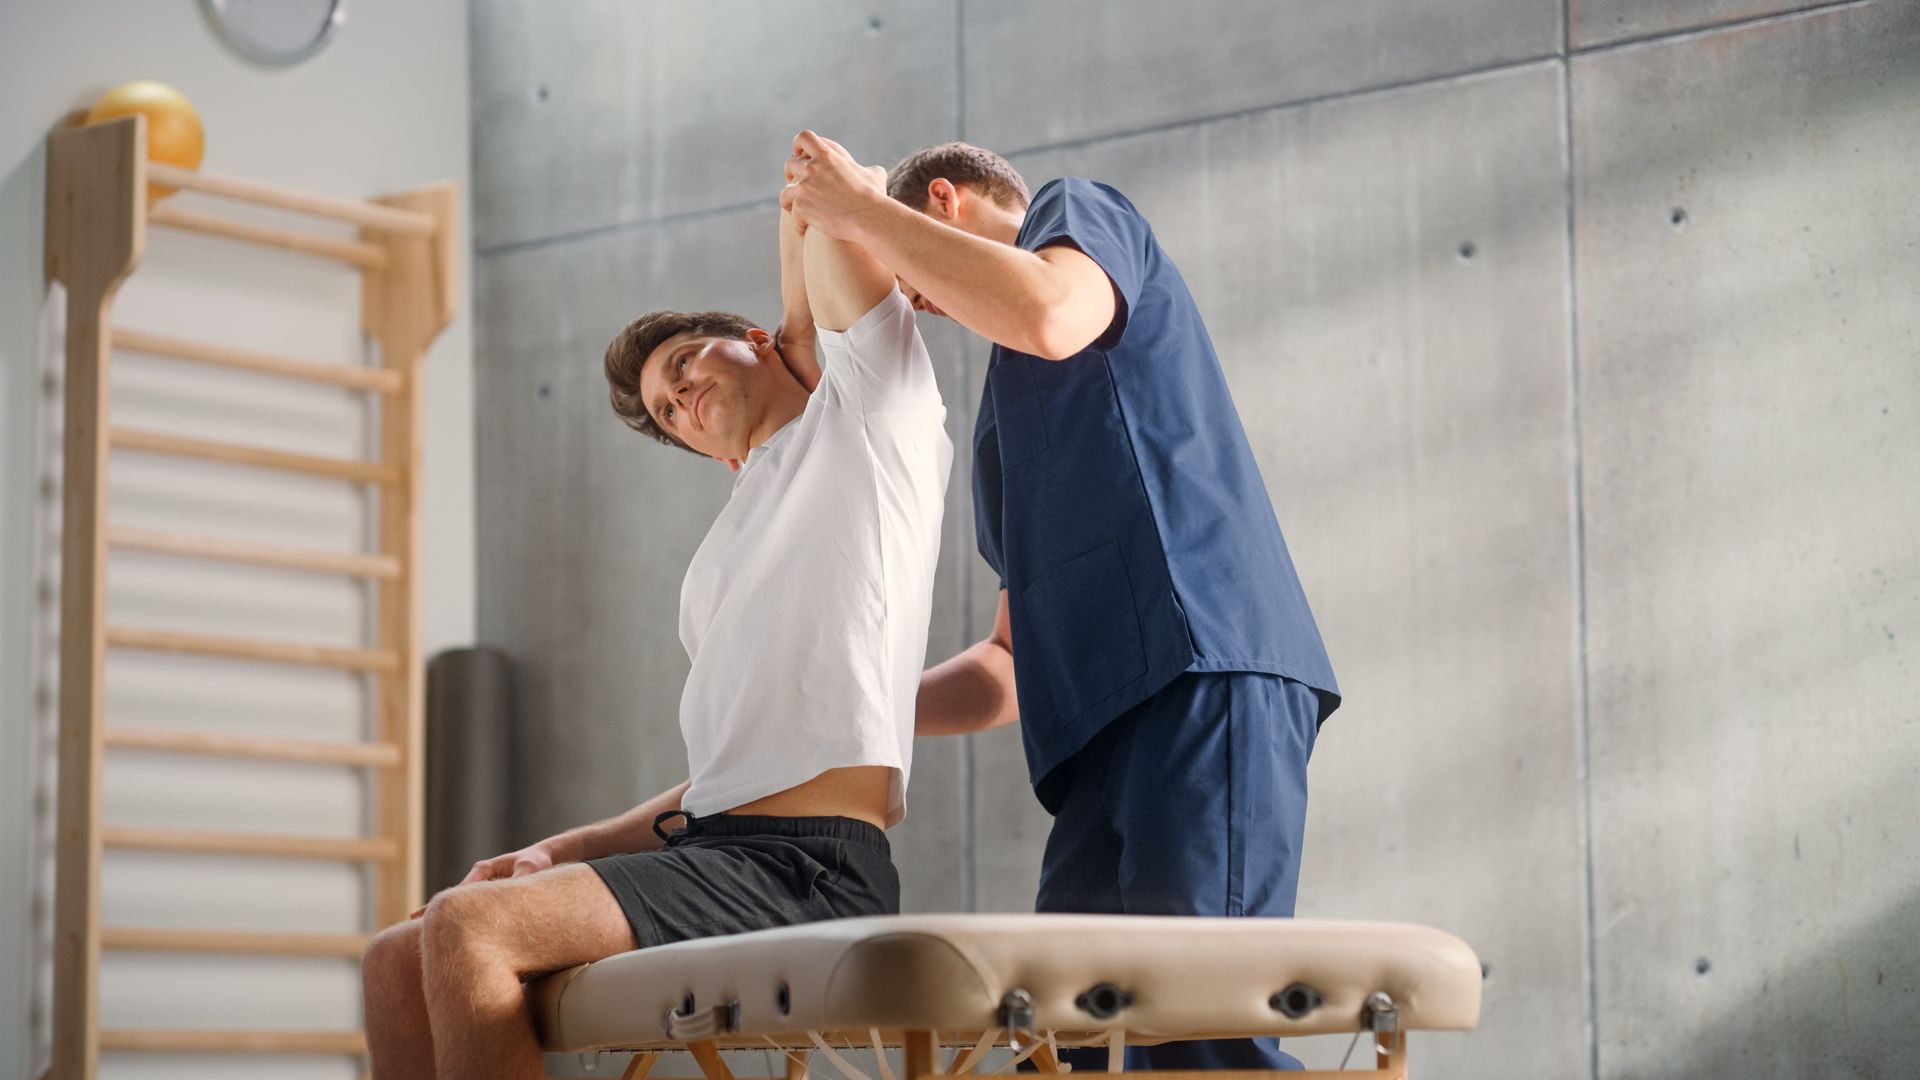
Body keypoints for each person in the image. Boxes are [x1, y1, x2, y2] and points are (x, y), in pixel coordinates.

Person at [359, 168, 951, 1080]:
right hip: (719, 847)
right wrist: (567, 846)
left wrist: (798, 332)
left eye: (686, 368)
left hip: (810, 872)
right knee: (392, 960)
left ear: (759, 342)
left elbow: (816, 193)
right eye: (670, 413)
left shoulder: (868, 427)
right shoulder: (726, 555)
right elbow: (724, 780)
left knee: (467, 931)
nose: (681, 402)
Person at [783, 135, 1339, 1072]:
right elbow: (1006, 665)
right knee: (1067, 1045)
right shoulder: (1001, 432)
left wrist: (855, 210)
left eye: (904, 263)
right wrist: (862, 712)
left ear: (947, 204)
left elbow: (1049, 313)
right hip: (1095, 740)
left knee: (1200, 1031)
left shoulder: (1075, 215)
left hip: (1198, 672)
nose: (909, 299)